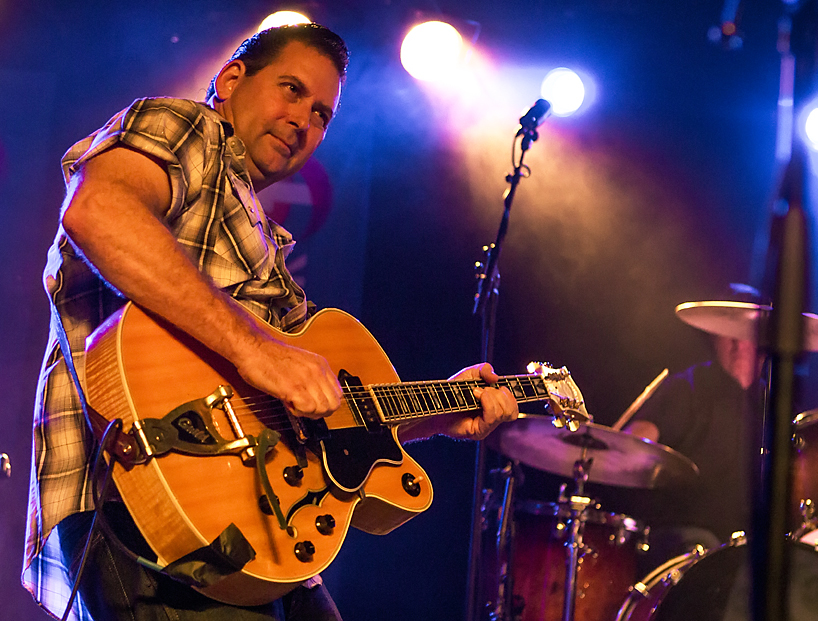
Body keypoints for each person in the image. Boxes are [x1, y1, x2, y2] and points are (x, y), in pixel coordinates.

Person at [23, 23, 519, 621]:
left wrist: (441, 413)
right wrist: (257, 348)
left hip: (261, 535)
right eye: (291, 89)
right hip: (141, 503)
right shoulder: (186, 127)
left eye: (321, 114)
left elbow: (317, 414)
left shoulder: (268, 241)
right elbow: (99, 211)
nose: (303, 120)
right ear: (231, 79)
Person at [624, 286, 766, 576]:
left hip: (751, 545)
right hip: (685, 542)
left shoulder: (777, 404)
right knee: (705, 550)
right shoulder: (686, 387)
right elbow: (633, 444)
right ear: (712, 336)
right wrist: (620, 448)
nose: (738, 343)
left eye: (747, 334)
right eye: (727, 332)